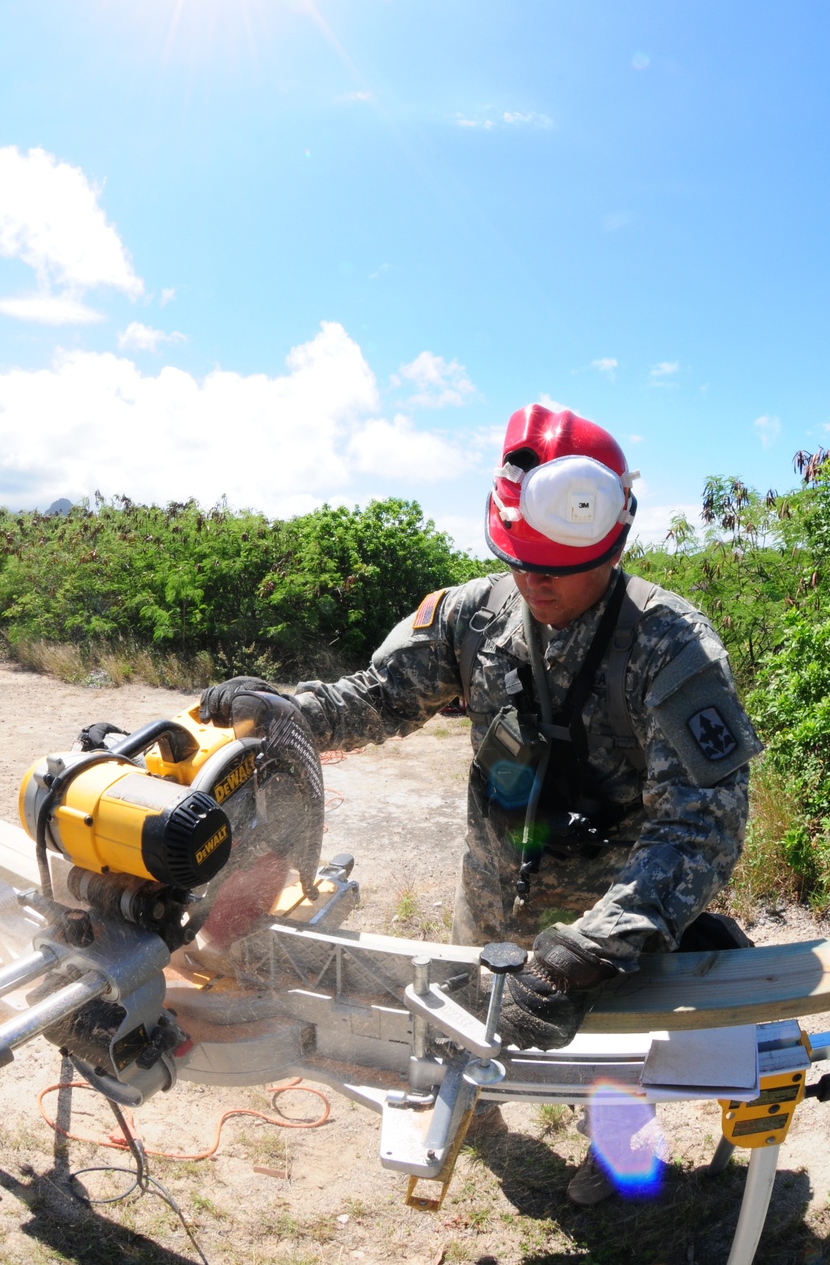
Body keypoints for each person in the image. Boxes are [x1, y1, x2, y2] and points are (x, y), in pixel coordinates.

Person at [200, 403, 760, 1203]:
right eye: (518, 560)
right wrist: (294, 711)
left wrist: (598, 946)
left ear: (613, 542)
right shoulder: (475, 614)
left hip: (604, 913)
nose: (536, 582)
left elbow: (701, 828)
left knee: (612, 1056)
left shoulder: (670, 644)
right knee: (467, 1021)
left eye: (558, 567)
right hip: (491, 891)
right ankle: (478, 1116)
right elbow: (381, 696)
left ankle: (618, 1156)